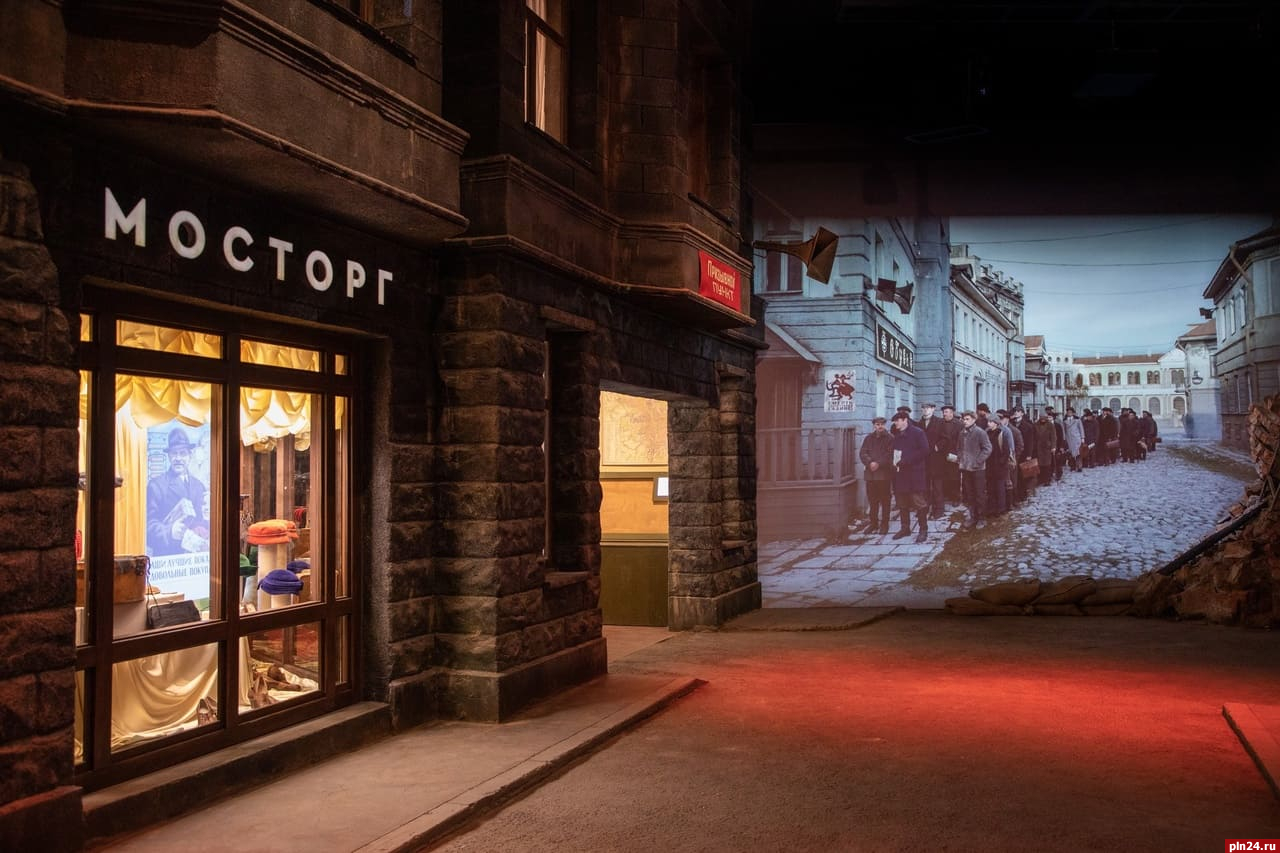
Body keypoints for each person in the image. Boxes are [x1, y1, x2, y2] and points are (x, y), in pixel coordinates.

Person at [146, 426, 209, 556]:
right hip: (168, 559)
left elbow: (204, 519)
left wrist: (202, 529)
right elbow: (147, 527)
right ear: (169, 456)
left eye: (183, 453)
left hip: (195, 559)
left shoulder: (199, 486)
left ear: (190, 455)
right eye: (174, 453)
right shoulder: (156, 486)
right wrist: (170, 532)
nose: (178, 458)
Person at [890, 411, 931, 542]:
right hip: (900, 474)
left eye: (897, 421)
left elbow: (925, 450)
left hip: (915, 474)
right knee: (902, 503)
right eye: (895, 421)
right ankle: (905, 528)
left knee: (919, 502)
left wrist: (907, 461)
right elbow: (895, 452)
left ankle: (923, 530)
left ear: (905, 420)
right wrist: (894, 462)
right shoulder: (897, 435)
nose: (895, 423)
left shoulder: (918, 433)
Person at [858, 416, 894, 535]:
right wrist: (870, 463)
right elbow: (863, 453)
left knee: (885, 501)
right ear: (874, 425)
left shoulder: (890, 438)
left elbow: (889, 454)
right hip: (871, 475)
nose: (880, 426)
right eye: (877, 424)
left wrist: (878, 463)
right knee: (872, 501)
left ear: (885, 425)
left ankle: (884, 524)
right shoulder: (868, 438)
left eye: (882, 424)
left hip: (884, 475)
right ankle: (873, 523)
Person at [956, 411, 991, 529]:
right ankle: (973, 516)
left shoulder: (980, 432)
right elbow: (959, 448)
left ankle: (982, 518)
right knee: (970, 494)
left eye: (967, 419)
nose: (964, 421)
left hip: (978, 469)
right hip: (966, 468)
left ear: (973, 420)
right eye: (963, 419)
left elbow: (987, 448)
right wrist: (960, 458)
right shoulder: (962, 433)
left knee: (979, 494)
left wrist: (977, 462)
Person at [919, 402, 946, 519]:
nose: (926, 410)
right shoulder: (919, 423)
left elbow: (945, 438)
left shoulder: (940, 422)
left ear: (933, 409)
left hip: (936, 459)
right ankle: (925, 508)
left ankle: (938, 509)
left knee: (937, 486)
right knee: (924, 486)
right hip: (923, 460)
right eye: (924, 408)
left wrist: (937, 446)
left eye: (928, 408)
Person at [984, 416, 1011, 517]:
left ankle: (1001, 508)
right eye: (988, 422)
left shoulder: (1001, 434)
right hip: (989, 465)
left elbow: (1006, 451)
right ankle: (991, 508)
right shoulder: (986, 433)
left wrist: (1001, 462)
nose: (988, 424)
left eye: (991, 422)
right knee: (990, 487)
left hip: (999, 466)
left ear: (996, 423)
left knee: (999, 488)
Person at [938, 404, 963, 504]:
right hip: (942, 454)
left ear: (952, 413)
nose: (944, 414)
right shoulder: (940, 423)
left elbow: (961, 440)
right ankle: (946, 495)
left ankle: (955, 498)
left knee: (955, 477)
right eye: (943, 412)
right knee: (944, 475)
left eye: (946, 412)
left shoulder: (959, 424)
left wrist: (958, 454)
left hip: (954, 454)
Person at [1035, 413, 1056, 486]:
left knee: (1047, 464)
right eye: (1041, 417)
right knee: (1039, 464)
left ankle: (1047, 480)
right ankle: (1040, 479)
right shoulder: (1035, 425)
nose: (1043, 419)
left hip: (1047, 447)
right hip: (1038, 447)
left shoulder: (1050, 425)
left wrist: (1053, 446)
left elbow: (1053, 436)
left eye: (1044, 418)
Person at [1063, 407, 1084, 473]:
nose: (1069, 413)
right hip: (1069, 439)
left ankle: (1079, 466)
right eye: (1068, 412)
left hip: (1077, 438)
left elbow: (1081, 429)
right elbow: (1064, 430)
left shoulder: (1077, 420)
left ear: (1073, 413)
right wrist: (1064, 438)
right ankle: (1072, 466)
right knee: (1070, 453)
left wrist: (1082, 438)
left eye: (1070, 412)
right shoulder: (1065, 421)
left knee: (1078, 453)